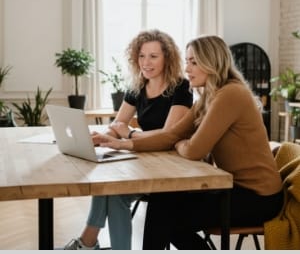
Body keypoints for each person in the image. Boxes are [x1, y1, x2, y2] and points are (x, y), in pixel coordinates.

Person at [95, 35, 284, 250]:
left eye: (194, 62)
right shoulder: (209, 97)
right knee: (163, 201)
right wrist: (122, 144)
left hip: (258, 197)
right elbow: (172, 134)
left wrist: (179, 144)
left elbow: (194, 149)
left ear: (211, 63)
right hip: (229, 186)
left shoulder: (230, 94)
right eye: (187, 61)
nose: (187, 69)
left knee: (169, 219)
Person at [64, 29, 193, 250]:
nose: (146, 62)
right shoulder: (137, 86)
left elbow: (169, 135)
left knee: (112, 189)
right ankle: (106, 246)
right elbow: (117, 125)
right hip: (145, 158)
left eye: (153, 56)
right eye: (142, 56)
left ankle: (87, 241)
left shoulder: (180, 87)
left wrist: (130, 134)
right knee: (112, 189)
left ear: (167, 58)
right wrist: (101, 137)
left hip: (172, 166)